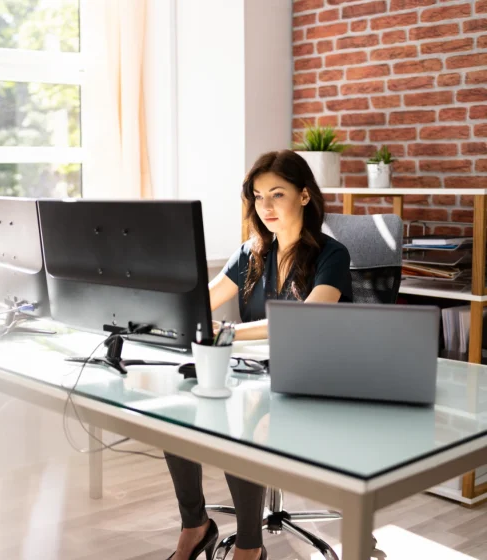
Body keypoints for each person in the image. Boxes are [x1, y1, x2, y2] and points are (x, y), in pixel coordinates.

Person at [163, 150, 353, 560]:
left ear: (304, 196)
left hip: (313, 378)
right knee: (173, 407)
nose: (265, 206)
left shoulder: (332, 255)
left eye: (277, 194)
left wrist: (228, 331)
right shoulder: (251, 254)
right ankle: (195, 525)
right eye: (258, 195)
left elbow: (305, 319)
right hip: (255, 372)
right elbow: (201, 301)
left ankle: (249, 548)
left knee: (239, 416)